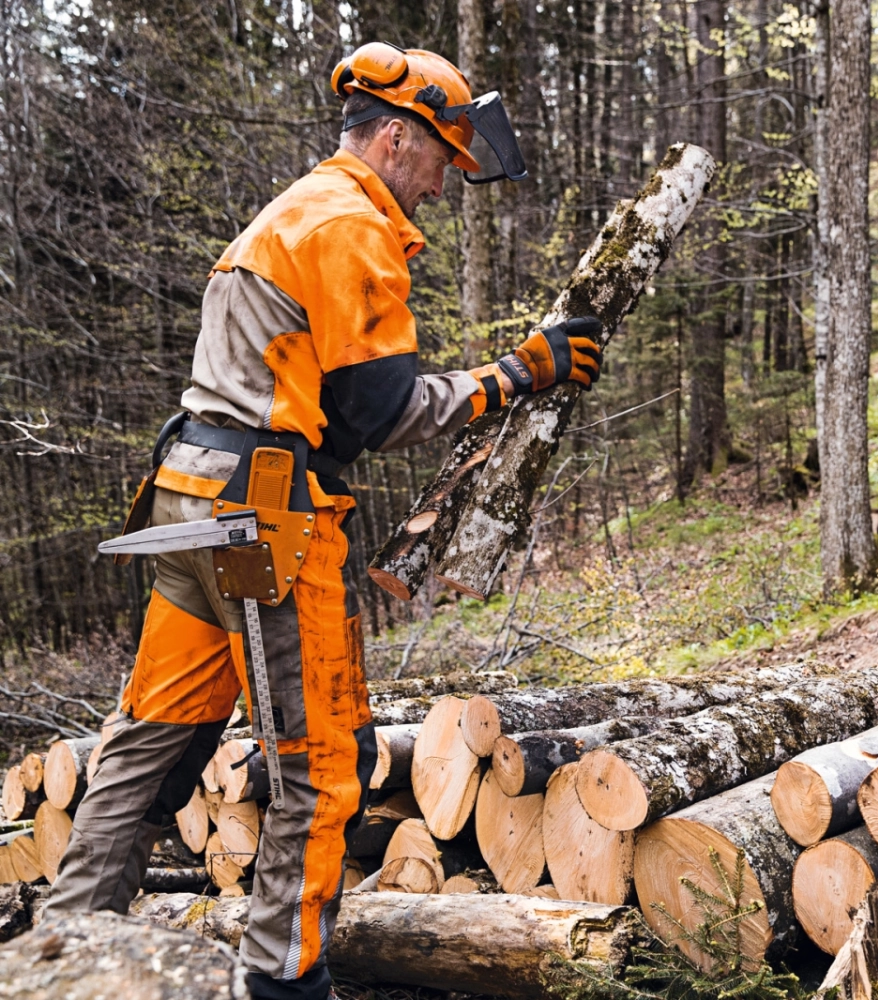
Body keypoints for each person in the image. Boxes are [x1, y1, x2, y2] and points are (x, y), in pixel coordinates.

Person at [47, 44, 600, 1000]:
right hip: (261, 512)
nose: (440, 186)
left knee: (157, 734)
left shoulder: (295, 210)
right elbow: (373, 412)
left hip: (189, 493)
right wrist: (511, 376)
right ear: (396, 138)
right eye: (438, 163)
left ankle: (60, 949)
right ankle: (284, 981)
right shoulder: (349, 223)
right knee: (317, 758)